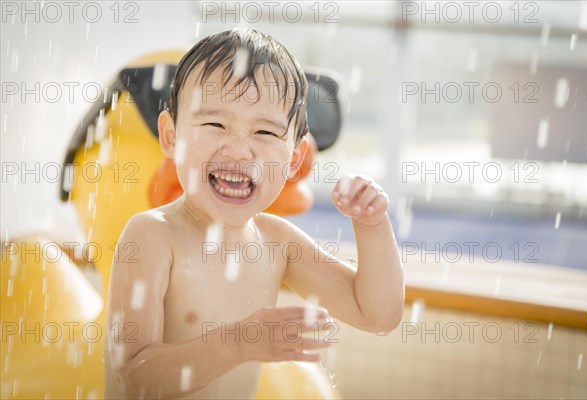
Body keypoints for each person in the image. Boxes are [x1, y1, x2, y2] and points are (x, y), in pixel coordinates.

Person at [104, 28, 404, 399]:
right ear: (170, 136)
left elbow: (377, 315)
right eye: (214, 124)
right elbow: (134, 379)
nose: (239, 150)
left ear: (294, 160)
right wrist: (238, 344)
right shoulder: (151, 236)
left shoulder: (276, 242)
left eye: (264, 131)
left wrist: (372, 225)